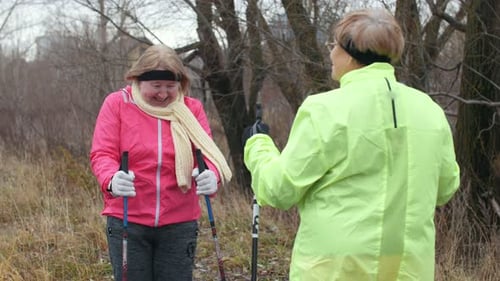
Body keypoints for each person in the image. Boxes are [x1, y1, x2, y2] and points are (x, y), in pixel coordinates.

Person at [242, 8, 460, 281]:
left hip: (334, 270)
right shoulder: (430, 111)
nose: (331, 53)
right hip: (409, 269)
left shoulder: (324, 110)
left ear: (351, 53)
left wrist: (257, 145)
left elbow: (278, 189)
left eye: (334, 45)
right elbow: (445, 188)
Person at [90, 44, 232, 281]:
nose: (163, 94)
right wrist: (112, 179)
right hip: (128, 220)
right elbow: (102, 153)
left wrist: (212, 174)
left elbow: (209, 154)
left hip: (179, 223)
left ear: (181, 83)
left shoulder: (191, 109)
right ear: (138, 79)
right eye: (156, 86)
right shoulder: (117, 104)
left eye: (170, 86)